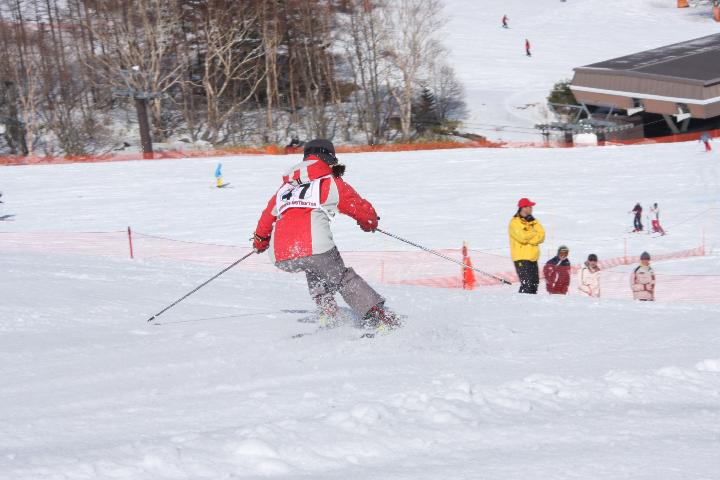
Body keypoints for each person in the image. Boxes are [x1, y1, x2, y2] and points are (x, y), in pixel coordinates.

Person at [252, 138, 400, 331]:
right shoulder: (330, 182)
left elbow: (266, 219)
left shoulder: (284, 189)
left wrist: (260, 242)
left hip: (281, 255)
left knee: (314, 268)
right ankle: (377, 317)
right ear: (328, 158)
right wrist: (369, 223)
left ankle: (328, 314)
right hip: (315, 246)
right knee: (341, 277)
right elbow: (360, 208)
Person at [509, 197, 545, 294]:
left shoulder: (534, 221)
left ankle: (530, 303)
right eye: (530, 206)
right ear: (523, 208)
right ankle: (521, 302)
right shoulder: (514, 222)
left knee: (534, 284)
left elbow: (542, 236)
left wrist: (530, 235)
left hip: (533, 257)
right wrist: (534, 233)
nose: (531, 208)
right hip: (521, 258)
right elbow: (522, 237)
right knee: (527, 284)